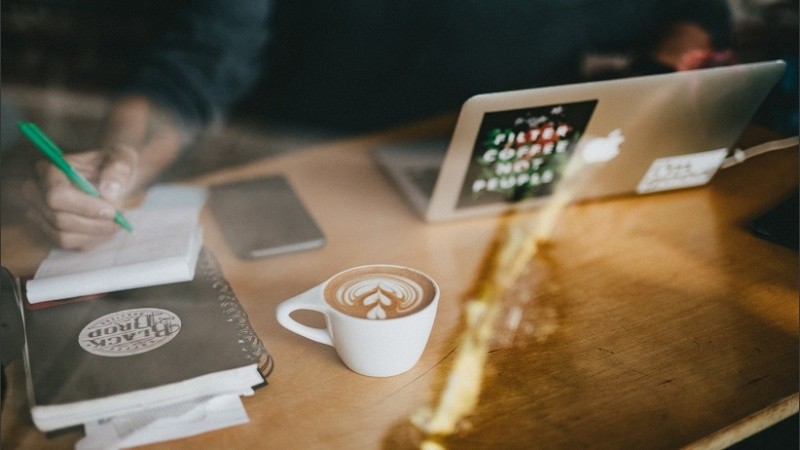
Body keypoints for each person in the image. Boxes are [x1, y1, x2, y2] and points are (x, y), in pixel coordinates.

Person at [24, 0, 734, 250]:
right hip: (312, 203)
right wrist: (117, 163)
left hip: (521, 200)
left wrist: (669, 62)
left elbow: (696, 7)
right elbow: (194, 68)